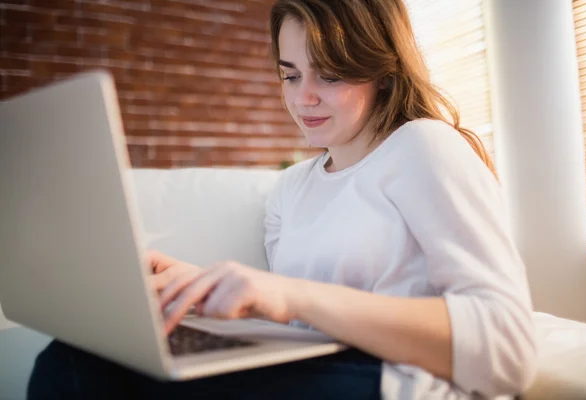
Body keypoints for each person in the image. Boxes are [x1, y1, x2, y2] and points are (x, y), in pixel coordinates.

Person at [28, 0, 538, 399]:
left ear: (383, 69)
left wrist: (289, 293)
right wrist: (202, 289)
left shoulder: (423, 146)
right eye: (290, 74)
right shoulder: (292, 187)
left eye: (330, 74)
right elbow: (301, 326)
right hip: (319, 370)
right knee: (73, 357)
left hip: (397, 384)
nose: (302, 98)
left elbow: (507, 343)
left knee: (77, 372)